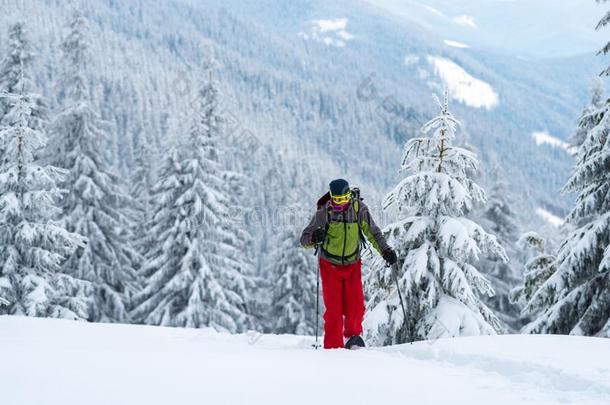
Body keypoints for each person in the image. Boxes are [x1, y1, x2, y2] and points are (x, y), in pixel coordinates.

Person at [300, 179, 397, 349]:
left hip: (352, 265)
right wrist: (314, 238)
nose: (340, 203)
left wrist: (385, 251)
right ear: (331, 197)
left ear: (349, 195)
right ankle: (332, 348)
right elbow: (304, 239)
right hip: (330, 266)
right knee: (334, 312)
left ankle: (352, 340)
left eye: (343, 199)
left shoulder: (358, 209)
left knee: (356, 307)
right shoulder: (325, 213)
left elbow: (373, 232)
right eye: (336, 200)